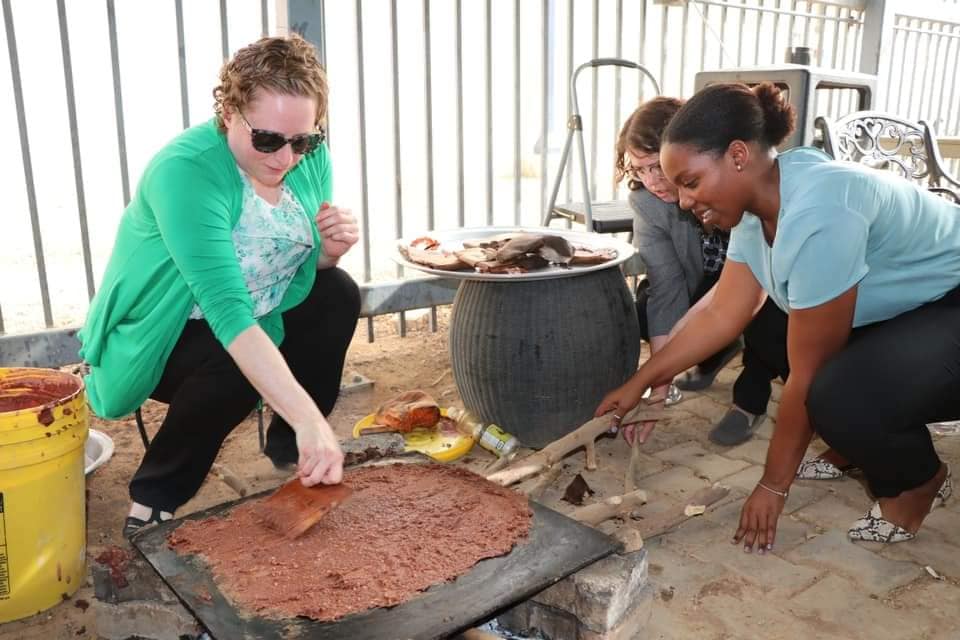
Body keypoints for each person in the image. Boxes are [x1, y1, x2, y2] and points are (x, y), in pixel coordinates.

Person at [598, 81, 960, 547]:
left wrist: (772, 485)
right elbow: (724, 314)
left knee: (837, 395)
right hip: (920, 303)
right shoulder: (760, 202)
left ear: (737, 156)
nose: (685, 202)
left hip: (952, 301)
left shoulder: (820, 212)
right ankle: (859, 442)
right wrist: (637, 384)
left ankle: (917, 480)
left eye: (690, 182)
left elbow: (809, 377)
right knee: (774, 336)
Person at [78, 34, 361, 537]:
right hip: (169, 333)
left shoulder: (305, 156)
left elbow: (289, 266)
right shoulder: (186, 173)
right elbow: (229, 313)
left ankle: (289, 449)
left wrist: (328, 253)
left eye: (304, 140)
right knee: (231, 356)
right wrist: (313, 419)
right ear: (230, 114)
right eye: (269, 140)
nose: (286, 159)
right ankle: (155, 496)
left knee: (336, 293)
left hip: (259, 311)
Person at [615, 97, 787, 446]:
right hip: (707, 283)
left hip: (761, 282)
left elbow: (750, 287)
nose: (651, 181)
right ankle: (716, 351)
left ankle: (749, 401)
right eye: (638, 170)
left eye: (655, 166)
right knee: (648, 303)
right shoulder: (647, 203)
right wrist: (657, 392)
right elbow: (668, 288)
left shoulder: (735, 183)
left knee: (765, 322)